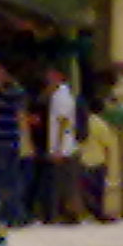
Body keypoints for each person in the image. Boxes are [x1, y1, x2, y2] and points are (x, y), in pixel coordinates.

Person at [0, 59, 28, 225]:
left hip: (4, 139)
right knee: (8, 178)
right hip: (5, 139)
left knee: (7, 178)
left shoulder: (7, 92)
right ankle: (12, 213)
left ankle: (11, 213)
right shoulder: (7, 91)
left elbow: (19, 116)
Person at [43, 65, 81, 223]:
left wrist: (57, 148)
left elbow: (63, 121)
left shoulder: (62, 97)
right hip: (63, 147)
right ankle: (67, 213)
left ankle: (72, 213)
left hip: (65, 148)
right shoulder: (57, 95)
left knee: (67, 184)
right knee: (64, 184)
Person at [79, 101, 120, 221]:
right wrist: (108, 162)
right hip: (97, 160)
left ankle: (89, 212)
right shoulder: (99, 124)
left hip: (81, 160)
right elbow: (107, 144)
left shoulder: (79, 122)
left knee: (85, 190)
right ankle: (98, 213)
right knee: (98, 191)